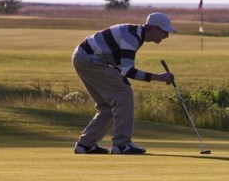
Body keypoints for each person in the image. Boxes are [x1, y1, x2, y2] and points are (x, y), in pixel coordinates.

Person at [72, 12, 176, 154]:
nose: (166, 36)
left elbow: (122, 69)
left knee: (108, 105)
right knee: (123, 93)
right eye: (164, 31)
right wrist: (159, 77)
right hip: (89, 60)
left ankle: (85, 144)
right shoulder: (131, 37)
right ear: (153, 28)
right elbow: (128, 71)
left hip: (84, 58)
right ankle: (121, 145)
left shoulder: (135, 34)